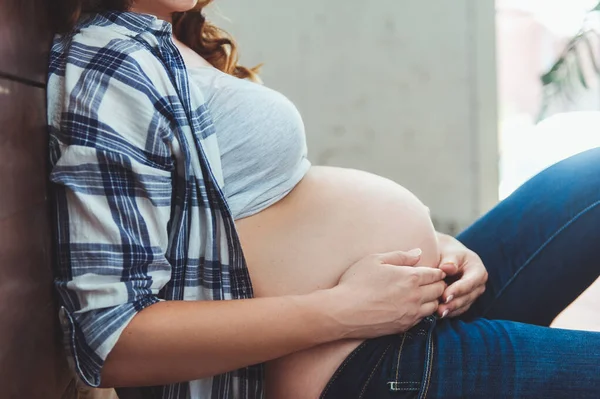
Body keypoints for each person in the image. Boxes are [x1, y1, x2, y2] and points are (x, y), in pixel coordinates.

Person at [48, 1, 600, 398]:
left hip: (403, 310)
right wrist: (346, 310)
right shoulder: (109, 64)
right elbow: (112, 342)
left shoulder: (169, 40)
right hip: (357, 360)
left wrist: (440, 248)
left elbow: (265, 214)